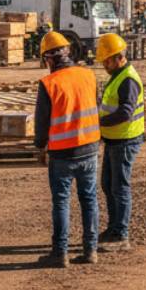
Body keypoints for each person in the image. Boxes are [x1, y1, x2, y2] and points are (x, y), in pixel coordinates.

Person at [33, 31, 100, 267]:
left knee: (61, 201)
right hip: (90, 148)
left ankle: (60, 253)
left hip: (62, 154)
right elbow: (96, 106)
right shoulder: (89, 75)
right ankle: (90, 250)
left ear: (49, 59)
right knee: (89, 199)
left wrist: (39, 146)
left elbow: (41, 123)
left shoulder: (49, 84)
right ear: (67, 52)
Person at [95, 33, 144, 251]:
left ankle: (121, 236)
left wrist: (99, 122)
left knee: (120, 188)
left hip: (125, 140)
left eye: (107, 60)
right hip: (114, 139)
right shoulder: (117, 75)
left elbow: (125, 112)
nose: (104, 65)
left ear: (118, 57)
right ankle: (113, 228)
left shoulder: (128, 80)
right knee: (108, 185)